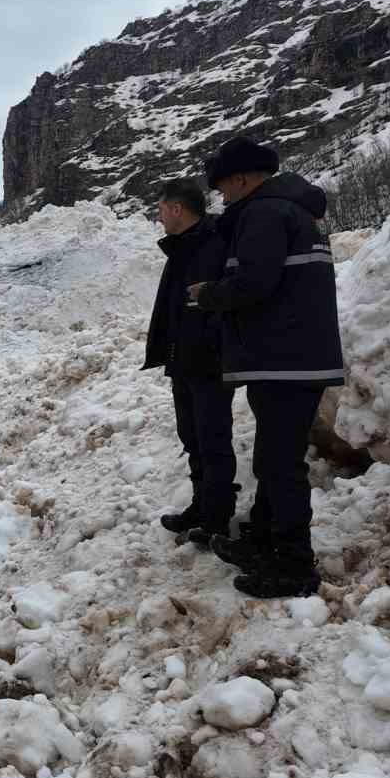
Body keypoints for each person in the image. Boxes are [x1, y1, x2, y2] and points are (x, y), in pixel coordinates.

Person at [189, 135, 345, 599]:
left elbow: (254, 283)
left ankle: (294, 565)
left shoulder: (264, 213)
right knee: (273, 458)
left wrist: (208, 294)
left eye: (223, 188)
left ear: (240, 179)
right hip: (292, 357)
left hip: (284, 359)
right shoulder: (293, 212)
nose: (222, 197)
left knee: (280, 465)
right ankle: (264, 537)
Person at [142, 178, 237, 545]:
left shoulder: (213, 243)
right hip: (183, 357)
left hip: (208, 359)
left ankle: (217, 516)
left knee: (213, 438)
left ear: (177, 209)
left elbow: (220, 300)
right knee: (192, 436)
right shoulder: (184, 246)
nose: (158, 216)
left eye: (161, 209)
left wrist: (209, 340)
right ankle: (201, 506)